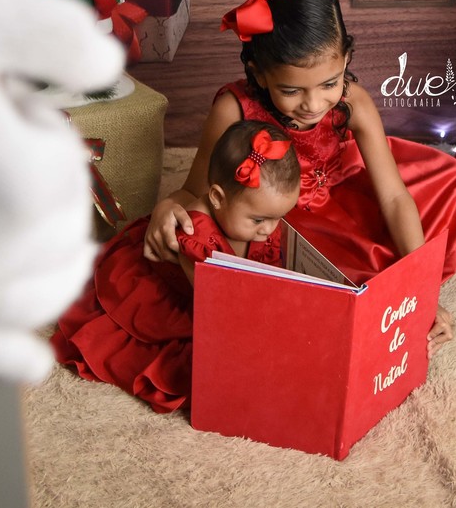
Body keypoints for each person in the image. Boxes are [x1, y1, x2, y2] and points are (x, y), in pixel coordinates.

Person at [143, 0, 456, 357]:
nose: (313, 104)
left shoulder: (353, 101)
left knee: (447, 186)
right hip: (272, 215)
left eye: (329, 83)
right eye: (291, 90)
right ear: (260, 75)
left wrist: (421, 289)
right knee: (205, 242)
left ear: (346, 59)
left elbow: (395, 197)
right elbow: (197, 192)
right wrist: (167, 207)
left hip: (337, 202)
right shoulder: (233, 108)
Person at [52, 119, 301, 413]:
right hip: (177, 294)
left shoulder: (252, 217)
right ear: (217, 198)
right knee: (195, 368)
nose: (269, 230)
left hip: (214, 290)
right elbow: (217, 307)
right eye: (259, 220)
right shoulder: (195, 235)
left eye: (278, 217)